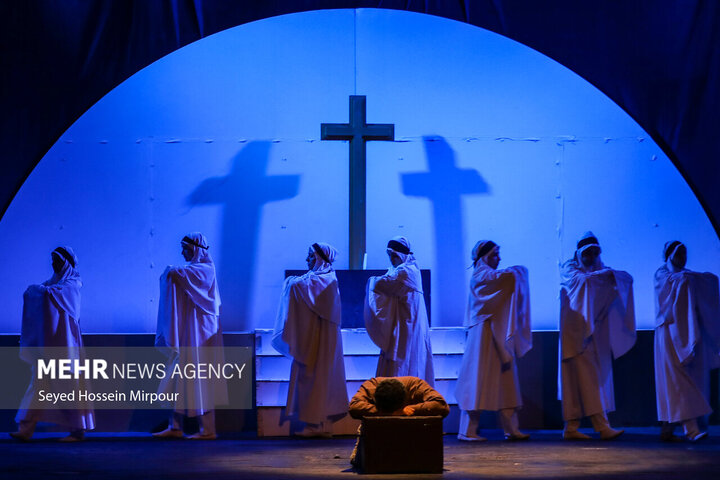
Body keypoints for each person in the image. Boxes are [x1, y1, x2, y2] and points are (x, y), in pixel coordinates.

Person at [11, 247, 95, 442]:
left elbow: (50, 295)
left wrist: (36, 291)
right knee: (38, 385)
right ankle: (26, 428)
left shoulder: (72, 284)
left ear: (66, 262)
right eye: (52, 261)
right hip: (48, 346)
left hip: (65, 346)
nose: (53, 264)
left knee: (69, 386)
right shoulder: (52, 284)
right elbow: (41, 293)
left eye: (57, 260)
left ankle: (77, 430)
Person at [558, 232, 635, 440]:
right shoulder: (570, 270)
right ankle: (600, 426)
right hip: (575, 335)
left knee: (583, 380)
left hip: (588, 336)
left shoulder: (598, 271)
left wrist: (608, 276)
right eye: (588, 253)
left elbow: (623, 277)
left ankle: (572, 427)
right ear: (580, 253)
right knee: (584, 379)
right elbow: (582, 284)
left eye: (595, 253)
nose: (592, 257)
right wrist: (606, 277)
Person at [455, 241, 532, 442]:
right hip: (484, 337)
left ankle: (511, 428)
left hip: (496, 335)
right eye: (495, 255)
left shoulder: (487, 276)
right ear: (484, 257)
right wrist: (517, 272)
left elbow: (505, 279)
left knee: (506, 380)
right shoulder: (481, 276)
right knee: (477, 380)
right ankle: (468, 430)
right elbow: (501, 279)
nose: (499, 259)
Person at [154, 233, 226, 440]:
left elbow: (181, 275)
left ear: (195, 249)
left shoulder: (206, 270)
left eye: (185, 248)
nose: (182, 252)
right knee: (180, 378)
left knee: (201, 379)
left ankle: (208, 429)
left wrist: (172, 271)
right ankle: (175, 426)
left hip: (201, 335)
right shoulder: (193, 271)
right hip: (189, 333)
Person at [272, 243, 348, 437]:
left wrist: (291, 282)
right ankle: (317, 424)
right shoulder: (315, 279)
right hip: (311, 338)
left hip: (321, 341)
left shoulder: (326, 280)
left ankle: (320, 424)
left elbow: (300, 286)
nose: (307, 260)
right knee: (313, 377)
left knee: (321, 378)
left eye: (311, 256)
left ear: (321, 258)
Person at [654, 241, 720, 442]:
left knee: (677, 382)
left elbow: (707, 282)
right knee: (674, 381)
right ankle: (689, 428)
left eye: (685, 253)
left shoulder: (687, 276)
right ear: (669, 256)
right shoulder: (662, 275)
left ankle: (669, 428)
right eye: (679, 253)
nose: (683, 258)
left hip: (684, 333)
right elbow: (667, 296)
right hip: (668, 335)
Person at [364, 236, 434, 385]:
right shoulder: (400, 270)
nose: (391, 259)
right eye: (390, 256)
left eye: (394, 255)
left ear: (402, 255)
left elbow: (382, 285)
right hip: (402, 323)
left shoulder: (407, 272)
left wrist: (372, 280)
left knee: (405, 357)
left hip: (408, 325)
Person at [349, 376, 450, 466]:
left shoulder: (416, 386)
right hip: (379, 440)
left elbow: (442, 406)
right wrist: (384, 412)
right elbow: (354, 408)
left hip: (412, 439)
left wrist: (412, 409)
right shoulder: (371, 386)